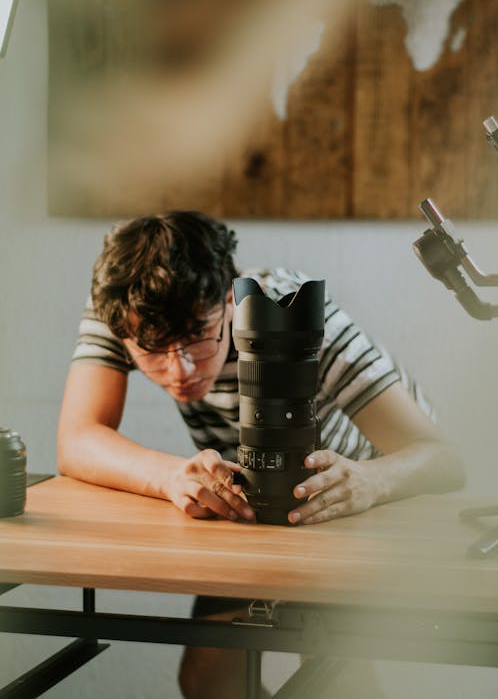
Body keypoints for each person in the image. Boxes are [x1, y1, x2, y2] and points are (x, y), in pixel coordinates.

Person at [57, 210, 464, 699]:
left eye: (196, 339)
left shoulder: (296, 315)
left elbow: (441, 459)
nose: (179, 369)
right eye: (153, 350)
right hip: (256, 505)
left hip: (347, 502)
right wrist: (171, 477)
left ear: (229, 300)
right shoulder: (126, 305)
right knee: (209, 678)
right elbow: (77, 438)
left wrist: (369, 482)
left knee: (332, 676)